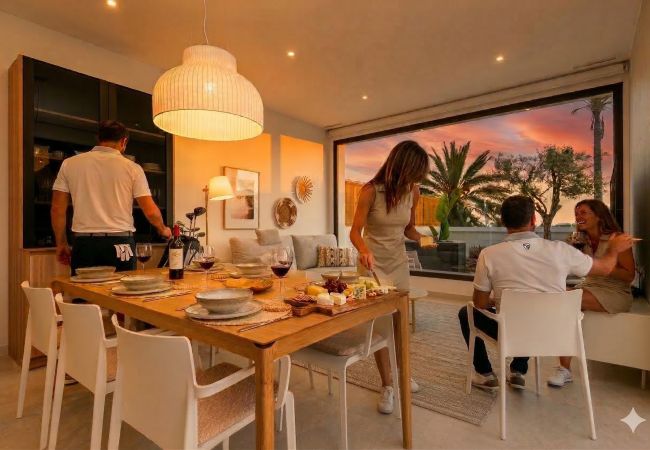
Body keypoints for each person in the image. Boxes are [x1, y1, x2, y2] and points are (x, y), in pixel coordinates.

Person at [458, 195, 634, 391]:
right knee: (537, 304)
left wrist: (498, 301)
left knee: (467, 312)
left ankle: (485, 375)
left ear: (503, 221)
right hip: (552, 332)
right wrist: (614, 251)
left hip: (510, 334)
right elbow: (604, 268)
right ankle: (518, 371)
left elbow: (480, 304)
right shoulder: (561, 250)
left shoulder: (488, 254)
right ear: (534, 219)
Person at [350, 140, 435, 414]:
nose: (417, 179)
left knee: (400, 323)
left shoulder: (413, 191)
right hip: (373, 266)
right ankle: (387, 385)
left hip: (398, 264)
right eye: (415, 173)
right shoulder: (370, 191)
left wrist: (422, 239)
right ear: (403, 167)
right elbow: (355, 232)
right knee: (381, 326)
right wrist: (363, 250)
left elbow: (409, 229)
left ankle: (403, 373)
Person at [51, 120, 171, 274]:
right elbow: (151, 211)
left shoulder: (69, 164)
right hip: (121, 243)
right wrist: (163, 229)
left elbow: (57, 209)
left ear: (99, 138)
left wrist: (61, 243)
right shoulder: (133, 168)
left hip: (84, 244)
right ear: (124, 142)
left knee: (84, 289)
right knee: (122, 289)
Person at [547, 199, 635, 388]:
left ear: (599, 216)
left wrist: (602, 266)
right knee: (562, 302)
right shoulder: (579, 240)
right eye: (576, 213)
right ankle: (565, 369)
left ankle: (564, 369)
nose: (578, 216)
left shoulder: (617, 239)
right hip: (589, 285)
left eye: (584, 213)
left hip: (614, 291)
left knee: (566, 300)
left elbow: (629, 276)